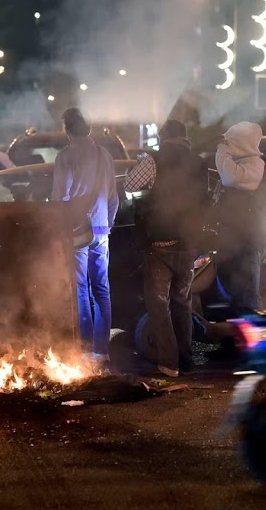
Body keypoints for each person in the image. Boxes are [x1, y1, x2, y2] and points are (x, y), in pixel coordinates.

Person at [124, 119, 210, 377]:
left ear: (163, 138)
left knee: (159, 305)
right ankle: (185, 360)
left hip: (160, 244)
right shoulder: (200, 162)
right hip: (188, 244)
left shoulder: (154, 160)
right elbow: (207, 198)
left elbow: (129, 185)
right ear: (184, 138)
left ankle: (169, 363)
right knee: (183, 303)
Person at [51, 108, 119, 362]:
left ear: (67, 129)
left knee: (80, 288)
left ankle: (85, 349)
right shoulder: (105, 156)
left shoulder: (66, 157)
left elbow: (61, 196)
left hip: (76, 230)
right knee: (102, 289)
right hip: (102, 229)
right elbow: (113, 197)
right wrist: (108, 224)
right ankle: (101, 352)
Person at [214, 121, 266, 311]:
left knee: (248, 294)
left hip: (249, 238)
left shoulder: (256, 164)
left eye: (231, 141)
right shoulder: (244, 163)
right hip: (236, 237)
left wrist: (222, 150)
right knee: (236, 292)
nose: (228, 144)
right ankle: (237, 335)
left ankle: (254, 335)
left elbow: (229, 176)